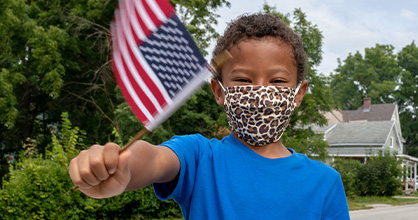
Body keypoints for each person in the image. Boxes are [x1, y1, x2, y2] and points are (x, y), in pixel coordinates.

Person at [69, 13, 350, 219]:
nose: (260, 92)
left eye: (277, 81)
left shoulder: (325, 182)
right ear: (219, 90)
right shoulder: (201, 157)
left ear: (298, 94)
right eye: (243, 80)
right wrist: (119, 167)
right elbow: (154, 159)